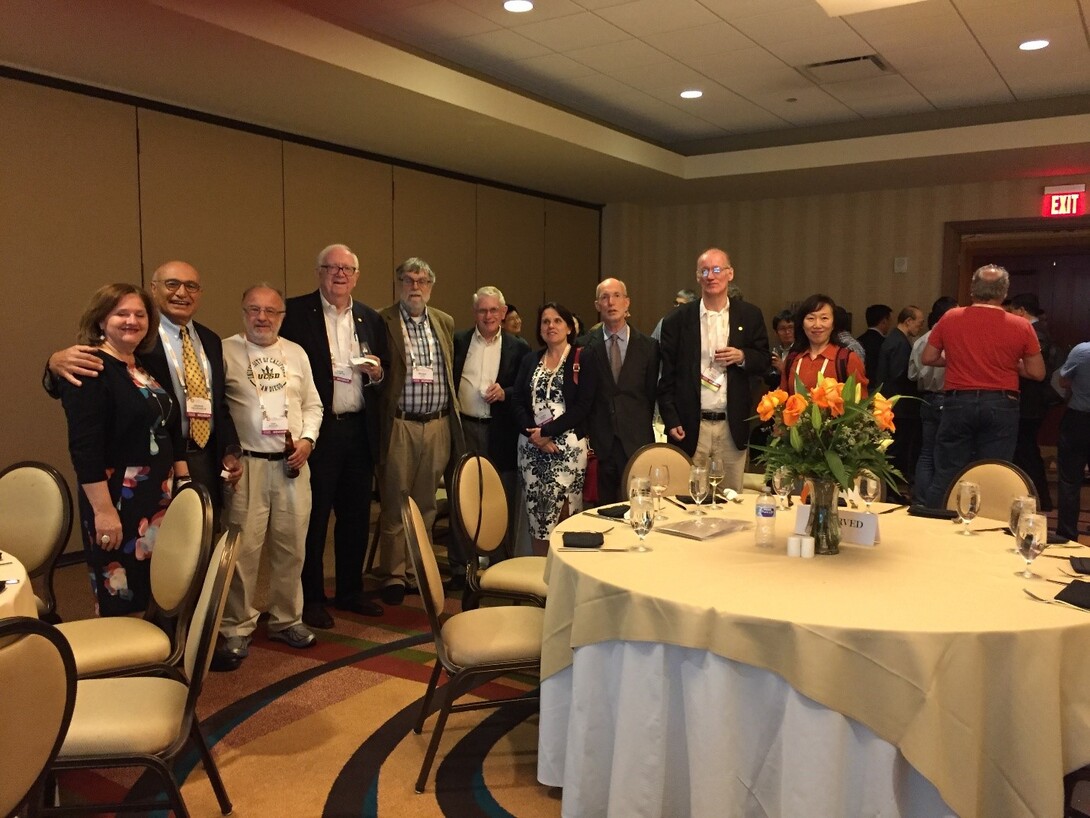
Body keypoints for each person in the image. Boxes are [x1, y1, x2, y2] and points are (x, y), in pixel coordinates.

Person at [46, 261, 241, 530]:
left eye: (191, 286)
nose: (182, 293)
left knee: (196, 549)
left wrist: (230, 449)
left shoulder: (209, 339)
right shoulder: (129, 345)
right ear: (153, 289)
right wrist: (53, 363)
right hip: (131, 479)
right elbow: (83, 425)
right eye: (172, 284)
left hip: (195, 462)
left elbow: (218, 401)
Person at [58, 283, 189, 616]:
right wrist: (103, 511)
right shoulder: (90, 366)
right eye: (122, 313)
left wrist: (182, 480)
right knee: (121, 584)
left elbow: (168, 426)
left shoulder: (141, 366)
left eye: (139, 314)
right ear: (101, 320)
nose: (132, 320)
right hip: (117, 495)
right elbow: (85, 448)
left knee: (153, 581)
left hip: (156, 493)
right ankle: (120, 661)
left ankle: (152, 656)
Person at [279, 244, 387, 628]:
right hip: (318, 433)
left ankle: (350, 590)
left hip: (359, 430)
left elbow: (384, 371)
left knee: (356, 516)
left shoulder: (370, 319)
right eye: (332, 267)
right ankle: (310, 598)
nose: (340, 274)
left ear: (357, 275)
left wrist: (376, 374)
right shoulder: (293, 314)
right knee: (314, 517)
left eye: (347, 269)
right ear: (319, 272)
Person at [219, 284, 324, 664]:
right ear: (243, 312)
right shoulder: (226, 351)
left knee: (292, 548)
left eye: (271, 311)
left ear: (282, 316)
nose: (262, 317)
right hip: (246, 468)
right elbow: (215, 412)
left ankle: (285, 620)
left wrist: (308, 440)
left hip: (292, 465)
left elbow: (313, 405)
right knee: (242, 552)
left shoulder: (296, 353)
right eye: (254, 310)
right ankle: (236, 627)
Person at [374, 257, 462, 605]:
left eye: (422, 281)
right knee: (396, 499)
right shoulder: (383, 320)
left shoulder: (444, 321)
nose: (415, 286)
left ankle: (417, 568)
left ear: (431, 286)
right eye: (409, 280)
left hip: (438, 423)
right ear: (398, 284)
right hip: (400, 423)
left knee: (426, 503)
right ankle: (394, 573)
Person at [921, 265, 1044, 507]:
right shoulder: (1021, 325)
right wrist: (1012, 364)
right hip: (1002, 403)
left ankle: (936, 522)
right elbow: (1037, 373)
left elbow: (928, 358)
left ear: (972, 290)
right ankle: (987, 528)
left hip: (958, 400)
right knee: (994, 472)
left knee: (947, 471)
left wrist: (956, 358)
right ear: (1004, 292)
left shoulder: (951, 318)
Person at [657, 248, 769, 492]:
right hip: (690, 426)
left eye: (717, 269)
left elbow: (763, 360)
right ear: (697, 277)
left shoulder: (749, 315)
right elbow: (667, 377)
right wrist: (671, 418)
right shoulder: (677, 320)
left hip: (732, 425)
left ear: (730, 274)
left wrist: (742, 356)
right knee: (688, 499)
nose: (711, 276)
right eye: (704, 271)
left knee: (731, 503)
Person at [450, 286, 530, 575]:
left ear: (503, 312)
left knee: (500, 498)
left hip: (500, 432)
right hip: (464, 428)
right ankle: (461, 565)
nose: (488, 315)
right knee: (461, 495)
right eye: (482, 310)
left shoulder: (518, 347)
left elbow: (525, 390)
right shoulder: (457, 341)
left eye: (493, 310)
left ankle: (499, 565)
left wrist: (506, 392)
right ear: (474, 313)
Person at [513, 303, 593, 554]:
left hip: (566, 450)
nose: (551, 326)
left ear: (569, 327)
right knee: (538, 519)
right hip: (532, 450)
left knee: (565, 519)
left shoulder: (583, 358)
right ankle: (539, 583)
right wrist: (535, 435)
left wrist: (547, 433)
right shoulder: (530, 359)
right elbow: (516, 399)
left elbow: (584, 405)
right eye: (545, 321)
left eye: (557, 321)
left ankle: (562, 581)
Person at [580, 278, 659, 504]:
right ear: (597, 306)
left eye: (616, 296)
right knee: (601, 511)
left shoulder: (648, 347)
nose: (611, 302)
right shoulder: (584, 345)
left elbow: (651, 392)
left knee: (638, 505)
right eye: (604, 297)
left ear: (627, 303)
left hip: (636, 441)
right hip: (600, 443)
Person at [909, 297, 957, 503]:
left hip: (926, 398)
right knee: (946, 454)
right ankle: (938, 501)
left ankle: (920, 499)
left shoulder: (920, 340)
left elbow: (912, 374)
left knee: (926, 452)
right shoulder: (952, 339)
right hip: (947, 399)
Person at [1008, 293, 1054, 509]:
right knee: (1025, 451)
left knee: (1026, 452)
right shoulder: (1039, 332)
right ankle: (1033, 498)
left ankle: (1037, 500)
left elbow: (1037, 372)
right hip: (1030, 403)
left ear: (1021, 311)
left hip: (1030, 403)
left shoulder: (1037, 334)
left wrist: (1012, 363)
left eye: (1012, 311)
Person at [876, 306, 925, 497]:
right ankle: (892, 490)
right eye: (919, 323)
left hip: (892, 403)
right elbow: (898, 375)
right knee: (896, 447)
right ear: (908, 321)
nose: (920, 327)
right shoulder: (900, 343)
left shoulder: (893, 340)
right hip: (899, 405)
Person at [780, 294, 868, 396]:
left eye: (824, 318)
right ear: (802, 324)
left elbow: (860, 403)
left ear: (833, 324)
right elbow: (783, 401)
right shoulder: (792, 358)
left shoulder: (848, 359)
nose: (817, 325)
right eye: (811, 318)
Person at [1055, 341, 1090, 541]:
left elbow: (1063, 381)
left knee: (1069, 480)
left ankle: (1067, 533)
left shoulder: (1082, 351)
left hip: (1079, 419)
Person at [857, 304, 892, 384]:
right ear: (884, 321)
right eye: (889, 321)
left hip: (861, 383)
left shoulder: (859, 340)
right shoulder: (885, 343)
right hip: (877, 386)